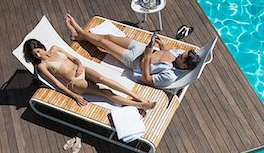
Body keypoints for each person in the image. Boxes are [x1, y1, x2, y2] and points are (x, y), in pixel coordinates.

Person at [65, 14, 201, 89]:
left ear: (183, 66)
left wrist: (147, 57)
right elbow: (167, 51)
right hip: (143, 48)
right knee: (109, 37)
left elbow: (147, 79)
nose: (180, 54)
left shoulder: (170, 76)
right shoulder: (180, 54)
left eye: (182, 57)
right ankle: (79, 36)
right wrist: (161, 45)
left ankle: (79, 31)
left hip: (135, 61)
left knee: (104, 43)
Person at [23, 39, 156, 113]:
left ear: (41, 47)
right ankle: (139, 105)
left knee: (104, 79)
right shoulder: (42, 66)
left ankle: (139, 98)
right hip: (75, 82)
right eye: (36, 55)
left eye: (38, 51)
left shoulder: (55, 48)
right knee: (105, 92)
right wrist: (75, 96)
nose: (39, 55)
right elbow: (56, 84)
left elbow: (74, 58)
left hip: (82, 70)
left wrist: (80, 65)